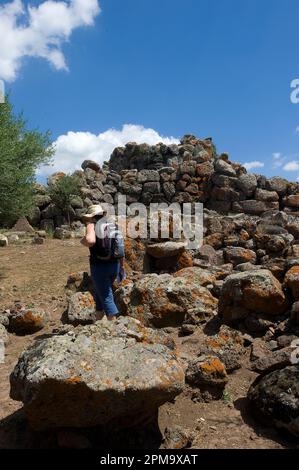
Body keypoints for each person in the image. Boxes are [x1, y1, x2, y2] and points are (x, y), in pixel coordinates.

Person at [80, 204, 125, 321]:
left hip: (99, 267)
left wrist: (82, 241)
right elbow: (120, 247)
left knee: (106, 297)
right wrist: (122, 267)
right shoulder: (113, 225)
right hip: (115, 266)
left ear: (91, 216)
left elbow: (90, 240)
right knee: (101, 293)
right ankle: (99, 322)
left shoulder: (91, 225)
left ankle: (113, 329)